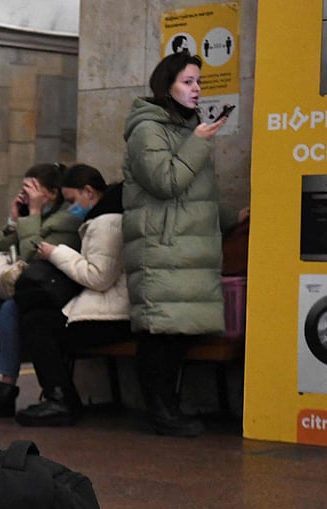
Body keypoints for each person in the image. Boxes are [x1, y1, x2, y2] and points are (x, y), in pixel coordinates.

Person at [122, 52, 249, 436]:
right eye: (188, 82)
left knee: (176, 333)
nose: (196, 90)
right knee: (160, 332)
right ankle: (161, 411)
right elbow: (165, 181)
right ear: (167, 86)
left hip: (182, 248)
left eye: (199, 83)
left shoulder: (184, 129)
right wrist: (197, 142)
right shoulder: (148, 129)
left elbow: (193, 194)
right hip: (161, 249)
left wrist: (231, 217)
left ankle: (169, 407)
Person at [0, 162, 81, 416]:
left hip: (50, 293)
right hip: (26, 287)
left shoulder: (64, 221)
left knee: (10, 309)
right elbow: (3, 243)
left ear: (51, 194)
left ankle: (6, 389)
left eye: (32, 188)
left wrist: (31, 213)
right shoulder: (35, 216)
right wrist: (14, 217)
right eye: (24, 187)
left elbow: (32, 253)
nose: (26, 193)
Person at [14, 164, 132, 426]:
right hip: (108, 308)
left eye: (72, 200)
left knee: (38, 325)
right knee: (37, 318)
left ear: (89, 192)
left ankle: (61, 400)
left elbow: (99, 277)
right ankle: (59, 397)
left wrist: (56, 253)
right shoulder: (102, 217)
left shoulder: (107, 223)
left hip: (113, 315)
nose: (71, 208)